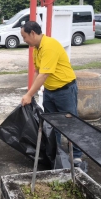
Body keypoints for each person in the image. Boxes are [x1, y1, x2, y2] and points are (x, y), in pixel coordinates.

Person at [20, 21, 82, 166]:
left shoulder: (49, 46)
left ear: (33, 33)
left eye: (24, 37)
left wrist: (29, 95)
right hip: (49, 91)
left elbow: (44, 74)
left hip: (65, 90)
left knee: (70, 124)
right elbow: (37, 71)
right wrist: (30, 92)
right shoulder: (37, 48)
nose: (24, 40)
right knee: (52, 125)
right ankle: (58, 154)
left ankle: (77, 155)